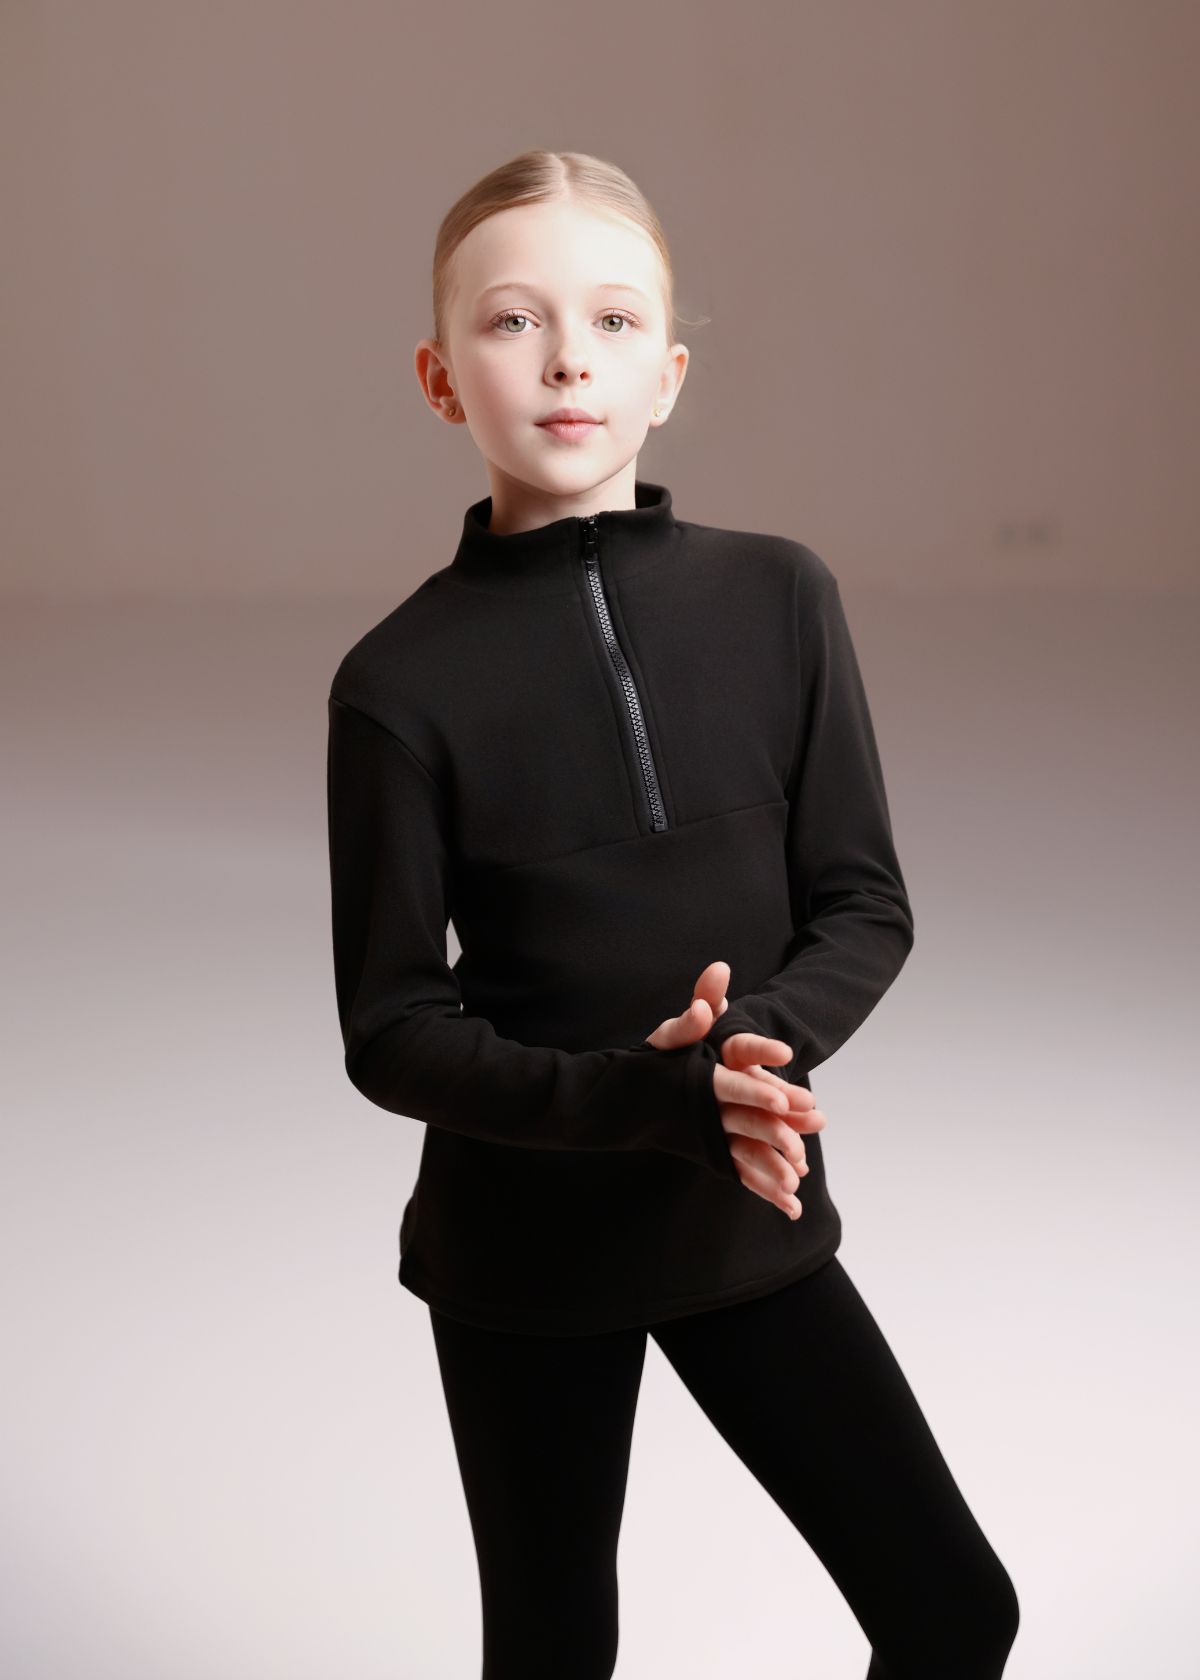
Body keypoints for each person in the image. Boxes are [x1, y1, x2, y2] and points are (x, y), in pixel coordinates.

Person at [325, 149, 1020, 1679]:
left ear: (668, 376)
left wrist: (747, 1054)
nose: (569, 358)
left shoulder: (782, 599)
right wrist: (643, 1100)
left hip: (736, 1204)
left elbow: (864, 904)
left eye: (614, 320)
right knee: (555, 1650)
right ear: (441, 380)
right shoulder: (396, 686)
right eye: (514, 320)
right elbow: (392, 1029)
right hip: (520, 1250)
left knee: (955, 1612)